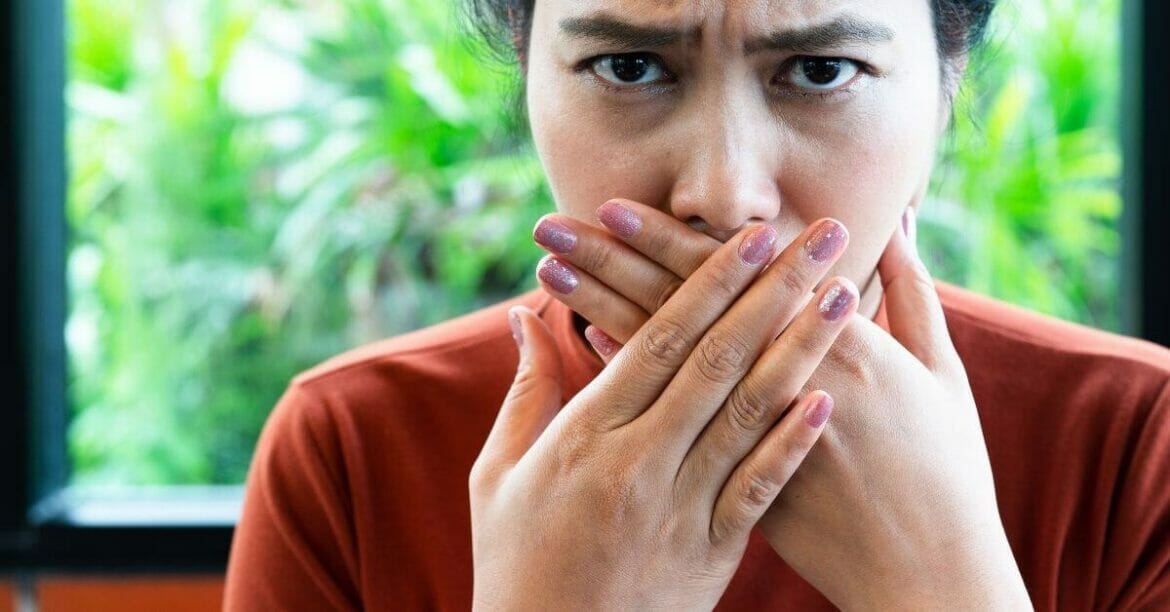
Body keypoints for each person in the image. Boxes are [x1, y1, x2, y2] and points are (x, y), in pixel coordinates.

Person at [223, 0, 1170, 609]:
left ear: (946, 79)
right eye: (630, 67)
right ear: (526, 66)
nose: (722, 192)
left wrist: (948, 586)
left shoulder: (1139, 442)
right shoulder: (352, 445)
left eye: (821, 70)